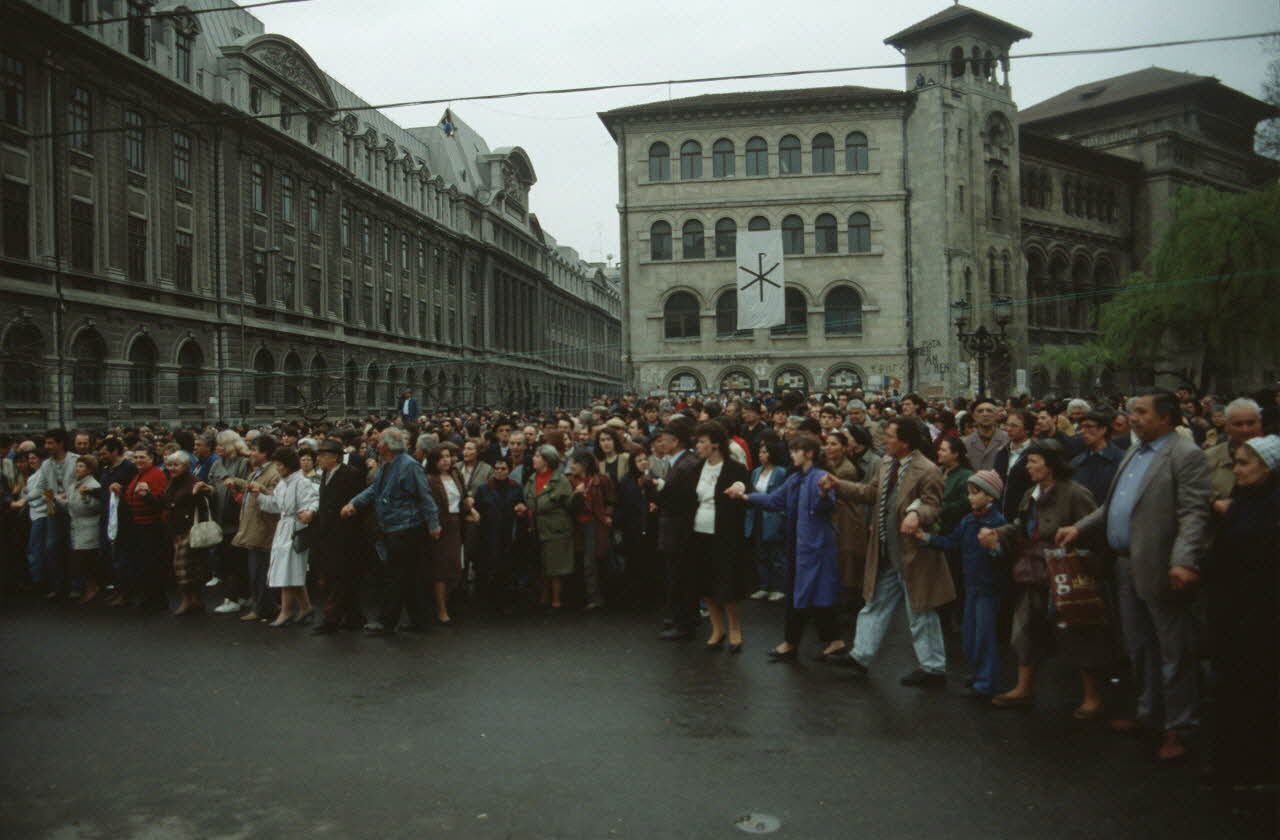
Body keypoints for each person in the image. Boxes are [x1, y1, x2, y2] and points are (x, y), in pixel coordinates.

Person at [1056, 388, 1212, 762]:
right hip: (1125, 563)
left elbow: (1194, 513)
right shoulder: (1135, 449)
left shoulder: (1184, 454)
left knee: (1173, 650)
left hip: (1161, 566)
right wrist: (1080, 527)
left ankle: (1179, 726)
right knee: (1139, 646)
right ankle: (1149, 714)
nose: (1133, 417)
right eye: (1133, 411)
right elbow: (1115, 505)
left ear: (1166, 417)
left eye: (1141, 412)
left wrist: (1184, 560)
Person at [980, 440, 1106, 716]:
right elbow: (1019, 526)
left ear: (1051, 464)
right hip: (1031, 573)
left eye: (1033, 461)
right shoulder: (1031, 494)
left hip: (1065, 576)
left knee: (1078, 634)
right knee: (1024, 632)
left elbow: (1093, 531)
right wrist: (998, 534)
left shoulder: (1075, 494)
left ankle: (1092, 696)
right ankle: (1023, 688)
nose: (1028, 466)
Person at [821, 417, 950, 686]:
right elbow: (871, 493)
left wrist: (916, 513)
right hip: (885, 549)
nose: (885, 440)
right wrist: (838, 484)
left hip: (913, 553)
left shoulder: (927, 470)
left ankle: (933, 668)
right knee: (875, 602)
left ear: (904, 442)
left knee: (920, 611)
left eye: (890, 436)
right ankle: (861, 655)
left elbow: (934, 505)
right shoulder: (887, 463)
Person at [1204, 434, 1279, 792]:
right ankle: (1236, 765)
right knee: (1235, 689)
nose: (1237, 470)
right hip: (1234, 609)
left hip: (1263, 613)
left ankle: (1259, 769)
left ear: (1268, 467)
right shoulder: (1245, 498)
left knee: (1259, 691)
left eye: (1245, 463)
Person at [730, 435, 844, 661]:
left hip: (816, 547)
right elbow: (774, 500)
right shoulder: (796, 479)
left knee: (802, 596)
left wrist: (823, 493)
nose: (792, 454)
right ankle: (832, 641)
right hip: (801, 546)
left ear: (809, 453)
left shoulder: (820, 477)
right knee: (810, 596)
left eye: (796, 450)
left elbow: (826, 504)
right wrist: (745, 497)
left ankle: (792, 643)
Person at [916, 470, 1007, 697]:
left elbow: (1005, 555)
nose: (970, 497)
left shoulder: (998, 523)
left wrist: (995, 548)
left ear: (991, 497)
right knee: (970, 633)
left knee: (985, 634)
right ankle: (977, 673)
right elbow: (952, 542)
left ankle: (986, 682)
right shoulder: (968, 520)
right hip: (970, 585)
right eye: (969, 493)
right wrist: (927, 539)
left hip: (988, 587)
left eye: (976, 493)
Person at [343, 427, 442, 636]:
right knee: (409, 578)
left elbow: (425, 497)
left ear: (387, 446)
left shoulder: (409, 466)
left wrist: (434, 524)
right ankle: (420, 621)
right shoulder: (387, 465)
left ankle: (386, 623)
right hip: (393, 528)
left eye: (378, 442)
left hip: (406, 529)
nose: (375, 444)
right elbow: (374, 490)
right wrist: (354, 503)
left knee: (395, 577)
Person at [680, 422, 751, 652]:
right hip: (698, 532)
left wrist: (739, 487)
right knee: (705, 583)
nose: (697, 446)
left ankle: (734, 628)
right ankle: (716, 628)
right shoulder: (696, 468)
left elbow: (746, 486)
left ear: (715, 444)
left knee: (727, 584)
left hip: (724, 533)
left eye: (702, 441)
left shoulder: (734, 468)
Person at [253, 447, 318, 627]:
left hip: (295, 529)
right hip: (283, 528)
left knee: (288, 570)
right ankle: (306, 607)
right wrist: (259, 496)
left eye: (280, 465)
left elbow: (311, 502)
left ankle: (286, 611)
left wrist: (308, 513)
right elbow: (275, 505)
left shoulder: (302, 482)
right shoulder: (283, 483)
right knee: (289, 569)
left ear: (289, 465)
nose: (278, 469)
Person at [309, 439, 367, 634]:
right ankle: (354, 616)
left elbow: (359, 505)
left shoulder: (350, 475)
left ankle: (331, 618)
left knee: (339, 578)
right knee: (340, 577)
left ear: (334, 457)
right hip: (328, 534)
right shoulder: (326, 474)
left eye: (323, 455)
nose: (319, 459)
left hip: (345, 535)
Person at [653, 417, 703, 640]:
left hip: (680, 530)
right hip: (677, 528)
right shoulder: (683, 462)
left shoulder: (685, 465)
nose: (660, 443)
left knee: (680, 577)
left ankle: (684, 623)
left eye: (664, 439)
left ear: (675, 441)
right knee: (679, 576)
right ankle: (681, 617)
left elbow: (679, 501)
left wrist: (655, 492)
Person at [229, 436, 282, 623]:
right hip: (253, 526)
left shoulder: (274, 473)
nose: (251, 453)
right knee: (256, 571)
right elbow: (252, 488)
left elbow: (277, 500)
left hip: (263, 528)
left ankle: (263, 609)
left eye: (255, 450)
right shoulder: (257, 471)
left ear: (265, 453)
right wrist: (238, 483)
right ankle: (264, 605)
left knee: (260, 572)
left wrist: (259, 489)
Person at [155, 451, 212, 616]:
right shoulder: (173, 481)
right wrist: (149, 497)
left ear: (186, 466)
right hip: (176, 528)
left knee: (183, 567)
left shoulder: (193, 482)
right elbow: (165, 502)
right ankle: (194, 600)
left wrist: (201, 493)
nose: (172, 468)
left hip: (188, 529)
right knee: (189, 567)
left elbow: (203, 500)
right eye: (170, 465)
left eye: (176, 465)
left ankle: (188, 600)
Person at [425, 444, 473, 626]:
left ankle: (446, 603)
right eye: (441, 457)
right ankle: (441, 609)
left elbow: (462, 497)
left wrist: (469, 505)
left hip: (456, 525)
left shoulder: (455, 475)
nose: (446, 460)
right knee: (440, 571)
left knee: (455, 567)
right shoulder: (430, 479)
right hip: (440, 526)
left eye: (448, 456)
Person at [119, 448, 170, 611]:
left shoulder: (157, 474)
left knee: (152, 564)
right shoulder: (138, 475)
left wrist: (146, 495)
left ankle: (158, 599)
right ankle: (149, 597)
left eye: (142, 457)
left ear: (151, 459)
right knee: (144, 564)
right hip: (139, 524)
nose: (138, 460)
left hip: (152, 525)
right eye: (136, 457)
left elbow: (161, 501)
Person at [472, 457, 525, 613]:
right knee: (489, 567)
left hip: (508, 533)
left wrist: (521, 509)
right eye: (497, 468)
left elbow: (521, 506)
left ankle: (506, 601)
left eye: (503, 469)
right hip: (489, 534)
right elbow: (478, 510)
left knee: (507, 567)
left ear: (509, 471)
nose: (500, 471)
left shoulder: (516, 487)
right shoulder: (484, 489)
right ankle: (489, 602)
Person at [823, 430, 869, 609]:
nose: (829, 448)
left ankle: (848, 604)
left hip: (846, 518)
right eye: (827, 443)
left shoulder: (846, 470)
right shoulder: (829, 464)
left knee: (846, 561)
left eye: (834, 444)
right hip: (836, 516)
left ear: (843, 448)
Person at [524, 445, 574, 610]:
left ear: (546, 460)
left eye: (537, 456)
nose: (533, 459)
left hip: (555, 527)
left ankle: (556, 599)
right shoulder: (533, 478)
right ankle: (544, 597)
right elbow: (529, 499)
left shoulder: (560, 480)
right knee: (542, 564)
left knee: (556, 565)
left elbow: (554, 502)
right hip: (537, 527)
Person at [208, 430, 251, 614]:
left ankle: (233, 597)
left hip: (236, 519)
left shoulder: (243, 463)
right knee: (226, 559)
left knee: (234, 561)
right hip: (220, 518)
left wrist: (232, 484)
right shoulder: (217, 463)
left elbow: (244, 487)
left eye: (220, 444)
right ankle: (239, 594)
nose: (217, 448)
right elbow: (212, 484)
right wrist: (207, 489)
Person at [568, 451, 614, 610]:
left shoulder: (601, 480)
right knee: (579, 561)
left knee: (591, 562)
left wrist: (608, 515)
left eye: (575, 463)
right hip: (576, 526)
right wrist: (576, 494)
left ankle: (595, 597)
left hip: (595, 524)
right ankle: (583, 595)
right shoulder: (570, 481)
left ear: (585, 465)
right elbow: (569, 507)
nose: (572, 466)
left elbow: (611, 501)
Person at [746, 435, 789, 602]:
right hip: (757, 515)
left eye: (764, 452)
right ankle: (764, 586)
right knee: (760, 553)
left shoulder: (780, 472)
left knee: (776, 554)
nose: (760, 455)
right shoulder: (756, 472)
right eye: (760, 452)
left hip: (773, 516)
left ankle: (779, 587)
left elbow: (781, 496)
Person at [1204, 397, 1263, 501]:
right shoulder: (1209, 457)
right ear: (1226, 426)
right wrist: (1215, 502)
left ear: (1260, 424)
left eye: (1251, 423)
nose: (1245, 430)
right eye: (1238, 424)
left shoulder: (1275, 455)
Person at [67, 455, 103, 604]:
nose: (77, 469)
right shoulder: (74, 484)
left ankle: (93, 588)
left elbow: (97, 507)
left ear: (89, 470)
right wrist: (55, 500)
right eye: (77, 465)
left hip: (89, 526)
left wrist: (85, 497)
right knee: (81, 559)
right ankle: (91, 587)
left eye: (81, 466)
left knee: (88, 559)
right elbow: (71, 504)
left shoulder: (93, 485)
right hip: (76, 526)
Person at [1070, 409, 1124, 505]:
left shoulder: (1121, 460)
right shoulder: (1077, 462)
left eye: (1089, 427)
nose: (1083, 431)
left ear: (1103, 429)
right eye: (1081, 427)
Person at [994, 409, 1035, 522]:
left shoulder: (1036, 452)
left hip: (1024, 516)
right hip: (1000, 514)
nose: (1008, 429)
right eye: (1007, 425)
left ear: (1027, 430)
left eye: (1014, 426)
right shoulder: (1002, 452)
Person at [961, 398, 1008, 471]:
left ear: (996, 416)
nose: (985, 414)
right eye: (980, 411)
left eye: (989, 411)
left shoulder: (1007, 439)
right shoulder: (966, 442)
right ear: (974, 417)